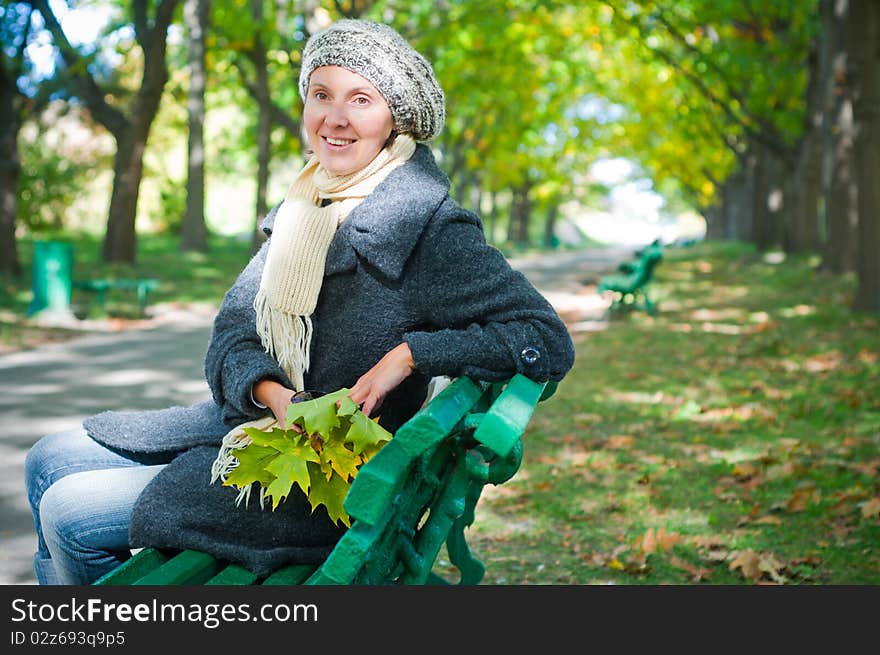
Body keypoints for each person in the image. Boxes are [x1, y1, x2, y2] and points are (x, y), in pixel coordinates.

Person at [24, 18, 576, 585]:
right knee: (46, 458)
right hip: (264, 425)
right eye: (321, 95)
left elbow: (544, 338)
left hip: (329, 481)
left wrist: (410, 355)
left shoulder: (430, 227)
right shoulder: (303, 207)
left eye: (360, 99)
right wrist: (274, 395)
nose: (335, 118)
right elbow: (233, 332)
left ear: (394, 119)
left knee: (70, 514)